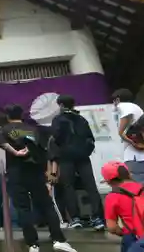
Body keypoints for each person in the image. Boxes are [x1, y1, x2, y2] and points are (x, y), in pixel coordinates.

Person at [0, 104, 76, 252]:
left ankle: (33, 244)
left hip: (16, 171)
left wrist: (15, 152)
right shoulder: (33, 129)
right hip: (35, 171)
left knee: (23, 208)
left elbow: (2, 143)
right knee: (46, 205)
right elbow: (43, 150)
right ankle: (58, 239)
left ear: (8, 117)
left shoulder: (5, 129)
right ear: (21, 115)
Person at [51, 94, 104, 230]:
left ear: (61, 105)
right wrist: (85, 151)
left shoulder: (58, 119)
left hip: (66, 157)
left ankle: (75, 218)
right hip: (83, 157)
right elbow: (90, 139)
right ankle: (97, 218)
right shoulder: (81, 119)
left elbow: (56, 137)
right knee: (90, 185)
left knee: (68, 186)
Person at [102, 160, 144, 252]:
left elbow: (112, 227)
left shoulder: (112, 197)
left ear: (108, 182)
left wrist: (122, 232)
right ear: (129, 174)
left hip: (132, 237)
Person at [113, 89, 144, 183]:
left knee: (139, 182)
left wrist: (121, 133)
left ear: (117, 100)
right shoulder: (137, 107)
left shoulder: (123, 106)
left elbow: (122, 129)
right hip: (142, 152)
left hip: (134, 155)